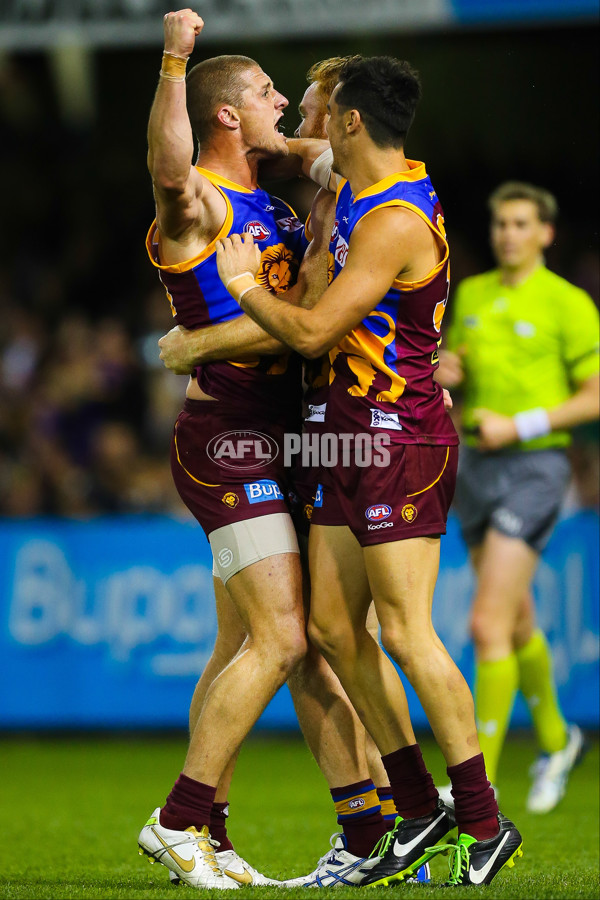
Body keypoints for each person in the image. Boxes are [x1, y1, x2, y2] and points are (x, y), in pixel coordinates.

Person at [215, 55, 524, 887]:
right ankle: (419, 812)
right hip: (343, 437)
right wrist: (232, 123)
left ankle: (485, 819)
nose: (303, 120)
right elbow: (289, 151)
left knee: (405, 632)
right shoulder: (350, 173)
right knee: (330, 632)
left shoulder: (392, 218)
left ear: (351, 121)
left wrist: (242, 286)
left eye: (316, 109)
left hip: (399, 441)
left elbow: (314, 335)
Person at [153, 47, 430, 887]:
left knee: (272, 640)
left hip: (294, 433)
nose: (286, 103)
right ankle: (182, 820)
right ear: (228, 115)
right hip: (228, 438)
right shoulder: (200, 198)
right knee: (282, 636)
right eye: (269, 93)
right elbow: (168, 169)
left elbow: (307, 317)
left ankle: (329, 827)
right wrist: (175, 62)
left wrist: (204, 336)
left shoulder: (279, 203)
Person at [435, 181, 598, 813]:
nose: (508, 233)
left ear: (546, 233)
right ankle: (559, 741)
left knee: (485, 623)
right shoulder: (471, 294)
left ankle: (479, 786)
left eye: (522, 224)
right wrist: (452, 371)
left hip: (535, 465)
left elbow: (595, 394)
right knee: (517, 618)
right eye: (501, 223)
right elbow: (458, 370)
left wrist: (523, 423)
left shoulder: (569, 303)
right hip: (474, 463)